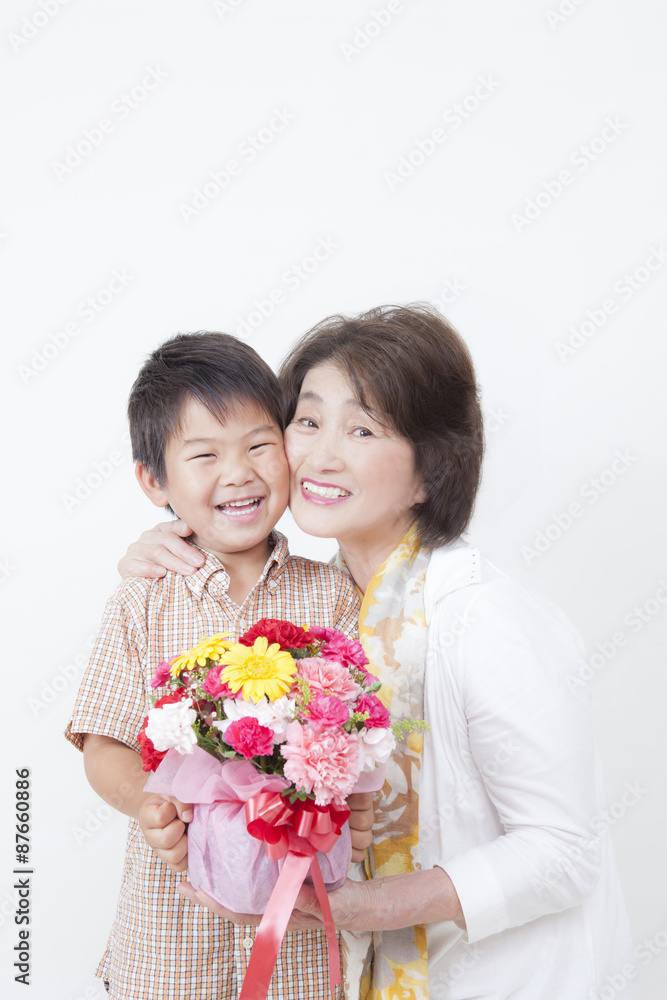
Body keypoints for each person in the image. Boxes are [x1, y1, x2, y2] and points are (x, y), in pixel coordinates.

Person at [121, 306, 634, 1000]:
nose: (319, 455)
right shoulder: (325, 610)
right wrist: (172, 547)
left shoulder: (485, 617)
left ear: (429, 473)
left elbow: (564, 852)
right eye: (306, 421)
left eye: (361, 429)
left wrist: (345, 907)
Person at [65, 331, 374, 1000]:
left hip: (296, 937)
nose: (238, 473)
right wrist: (149, 803)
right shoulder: (143, 598)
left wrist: (356, 801)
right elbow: (101, 740)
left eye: (259, 446)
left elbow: (361, 735)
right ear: (154, 480)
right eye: (205, 454)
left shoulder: (335, 596)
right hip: (168, 945)